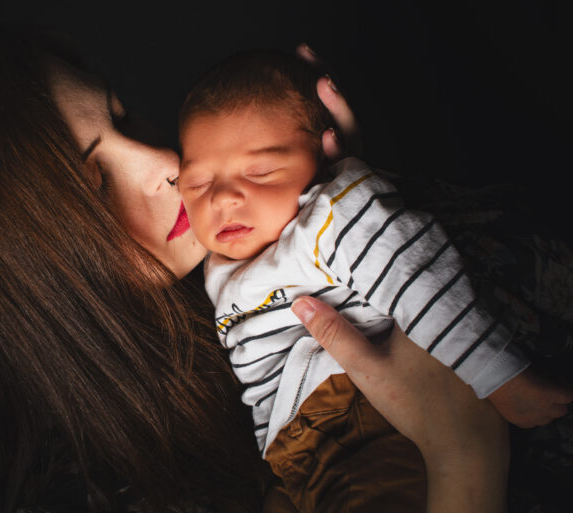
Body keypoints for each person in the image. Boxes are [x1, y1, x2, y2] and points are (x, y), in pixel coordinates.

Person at [0, 26, 512, 513]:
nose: (167, 166)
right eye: (99, 181)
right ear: (23, 284)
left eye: (124, 117)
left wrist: (336, 211)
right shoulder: (99, 491)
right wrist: (467, 465)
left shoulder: (250, 268)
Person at [176, 50, 572, 511]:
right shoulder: (215, 262)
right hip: (295, 449)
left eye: (260, 172)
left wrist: (502, 379)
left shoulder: (330, 219)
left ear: (319, 164)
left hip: (363, 412)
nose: (223, 198)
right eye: (198, 183)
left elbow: (423, 280)